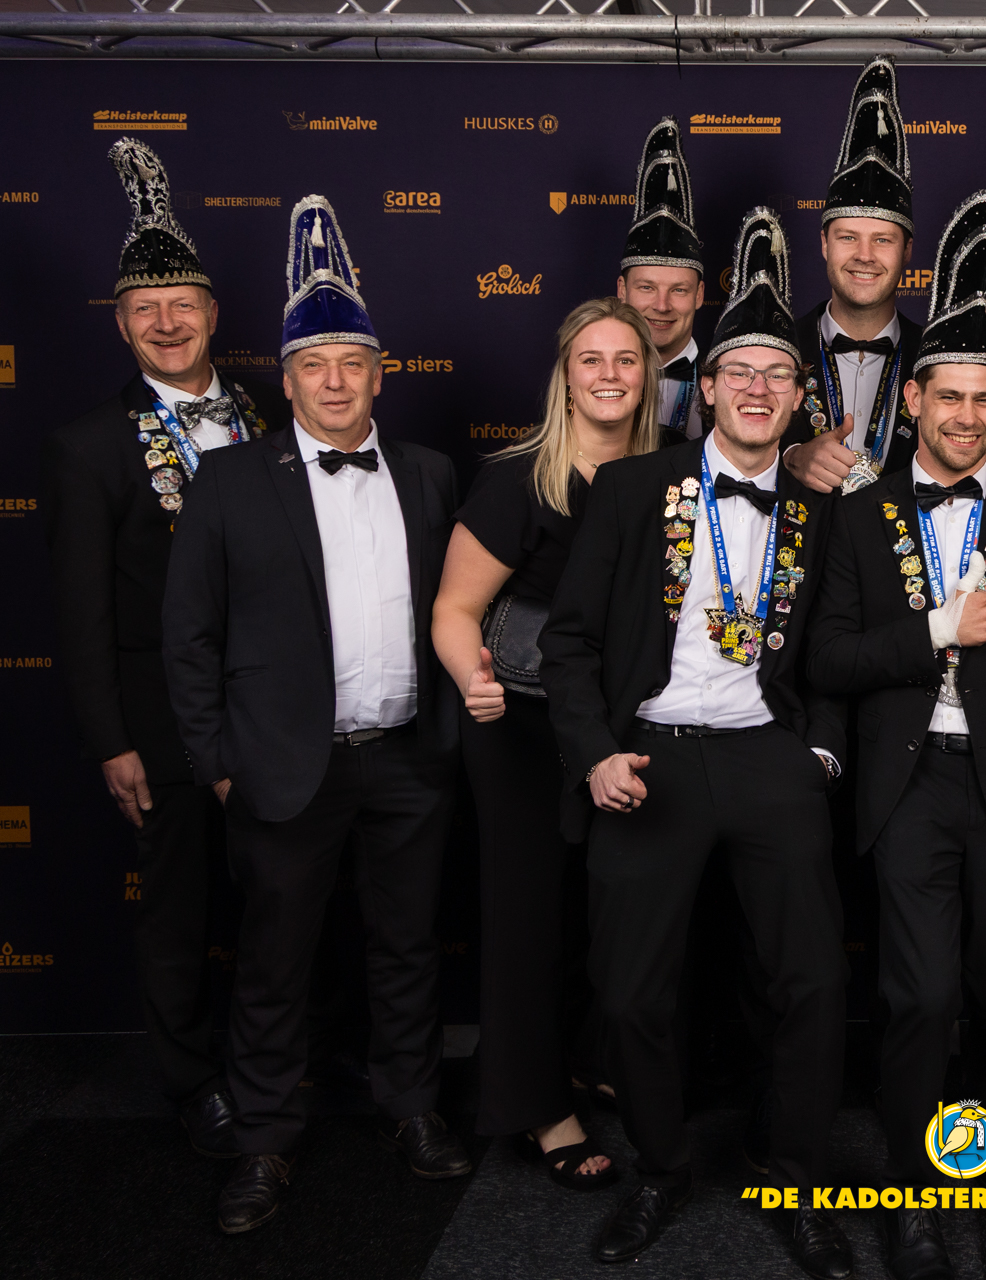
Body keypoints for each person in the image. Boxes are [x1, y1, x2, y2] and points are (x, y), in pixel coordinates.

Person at [541, 208, 854, 1278]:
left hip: (769, 755)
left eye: (779, 373)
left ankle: (798, 1177)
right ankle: (663, 1167)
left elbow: (837, 653)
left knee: (811, 983)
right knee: (631, 990)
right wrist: (595, 751)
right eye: (740, 372)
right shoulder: (631, 491)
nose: (759, 388)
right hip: (652, 756)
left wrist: (818, 758)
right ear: (706, 387)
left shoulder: (824, 513)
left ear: (799, 396)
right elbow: (570, 642)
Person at [162, 197, 467, 1234]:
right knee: (273, 961)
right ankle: (263, 1137)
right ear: (285, 379)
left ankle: (412, 1107)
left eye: (353, 363)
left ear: (381, 374)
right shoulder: (228, 480)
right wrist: (216, 760)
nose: (335, 382)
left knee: (407, 947)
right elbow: (189, 636)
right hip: (282, 764)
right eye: (313, 365)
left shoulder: (428, 474)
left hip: (408, 758)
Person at [806, 193, 986, 1280]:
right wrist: (933, 632)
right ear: (915, 397)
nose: (965, 417)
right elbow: (829, 660)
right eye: (948, 396)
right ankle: (913, 1193)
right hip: (910, 781)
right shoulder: (861, 513)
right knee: (918, 996)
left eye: (984, 399)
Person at [41, 138, 281, 1161]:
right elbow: (80, 611)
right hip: (161, 719)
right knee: (179, 909)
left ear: (214, 314)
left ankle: (275, 1059)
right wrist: (112, 740)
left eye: (183, 304)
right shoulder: (88, 445)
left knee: (277, 896)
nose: (168, 322)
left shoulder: (269, 416)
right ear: (122, 322)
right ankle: (192, 1081)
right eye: (147, 309)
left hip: (272, 711)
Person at [430, 298, 661, 1191]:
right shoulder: (520, 479)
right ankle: (534, 1104)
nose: (609, 374)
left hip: (619, 725)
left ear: (648, 376)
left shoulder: (672, 473)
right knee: (528, 915)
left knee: (605, 910)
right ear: (566, 377)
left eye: (625, 359)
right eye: (590, 359)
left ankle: (591, 1060)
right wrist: (473, 679)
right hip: (522, 722)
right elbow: (454, 609)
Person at [782, 57, 923, 496]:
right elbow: (725, 447)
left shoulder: (937, 357)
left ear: (907, 251)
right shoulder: (776, 345)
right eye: (848, 237)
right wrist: (791, 457)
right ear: (824, 243)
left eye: (882, 239)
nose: (864, 256)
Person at [616, 117, 708, 446]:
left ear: (699, 294)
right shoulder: (592, 382)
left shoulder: (732, 382)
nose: (662, 305)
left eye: (679, 290)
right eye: (647, 287)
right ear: (622, 290)